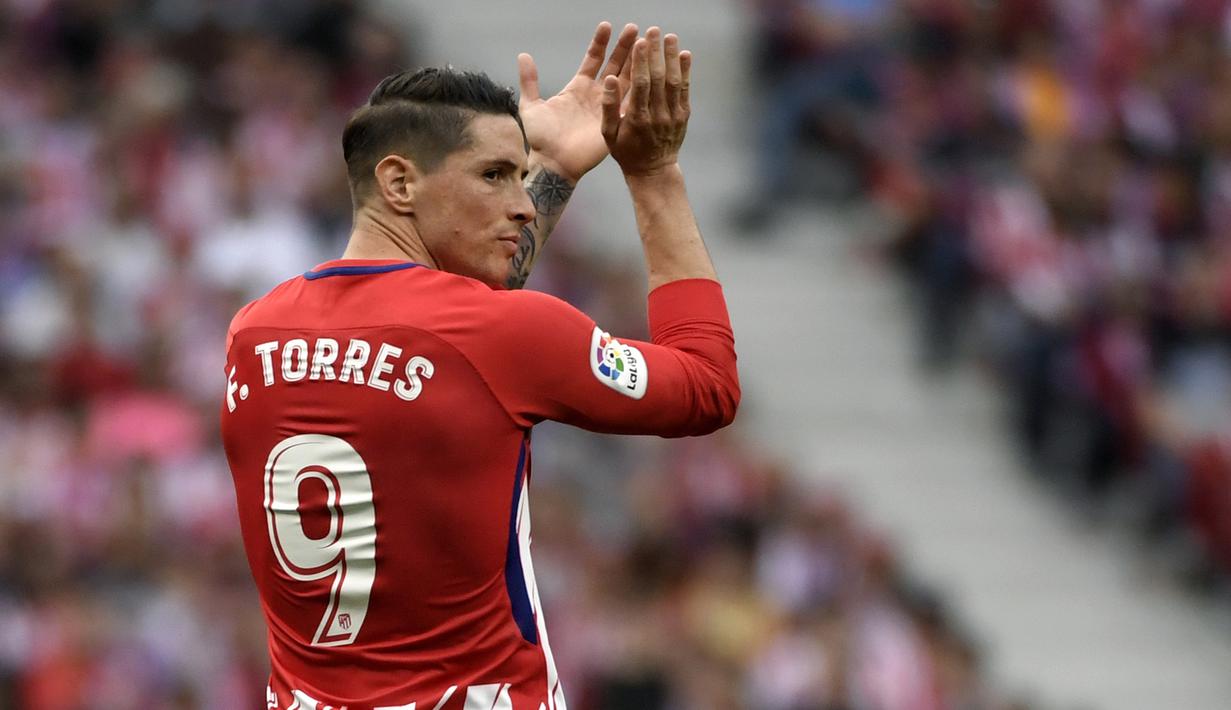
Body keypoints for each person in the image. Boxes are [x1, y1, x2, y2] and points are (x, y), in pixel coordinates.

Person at [220, 22, 740, 710]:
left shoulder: (253, 332)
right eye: (495, 176)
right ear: (399, 183)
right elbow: (706, 386)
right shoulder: (497, 336)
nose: (524, 205)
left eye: (524, 180)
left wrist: (550, 163)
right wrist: (652, 174)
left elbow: (463, 340)